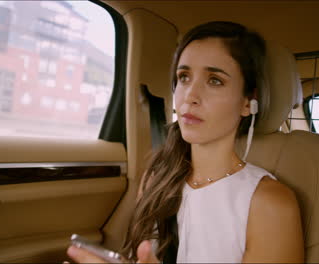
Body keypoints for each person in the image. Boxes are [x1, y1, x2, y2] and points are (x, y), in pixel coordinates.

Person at [66, 21, 304, 263]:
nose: (190, 96)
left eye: (215, 80)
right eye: (184, 77)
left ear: (247, 101)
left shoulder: (269, 204)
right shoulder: (156, 177)